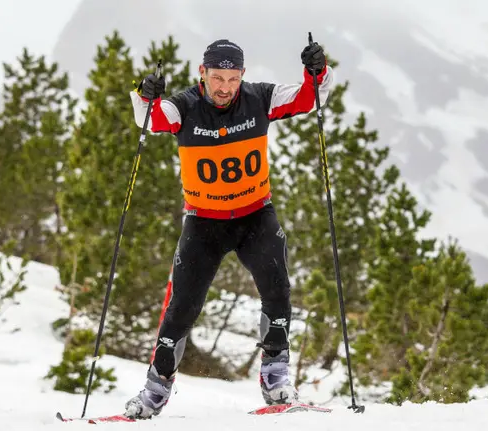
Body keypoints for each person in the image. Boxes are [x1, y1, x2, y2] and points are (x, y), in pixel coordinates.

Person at [123, 38, 333, 419]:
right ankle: (155, 390)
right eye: (217, 77)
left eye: (232, 78)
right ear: (202, 73)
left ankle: (275, 378)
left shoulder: (260, 99)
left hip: (255, 216)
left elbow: (308, 97)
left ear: (242, 77)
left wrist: (316, 71)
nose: (224, 87)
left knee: (278, 288)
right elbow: (151, 118)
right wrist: (146, 94)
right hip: (204, 223)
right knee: (181, 308)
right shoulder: (184, 106)